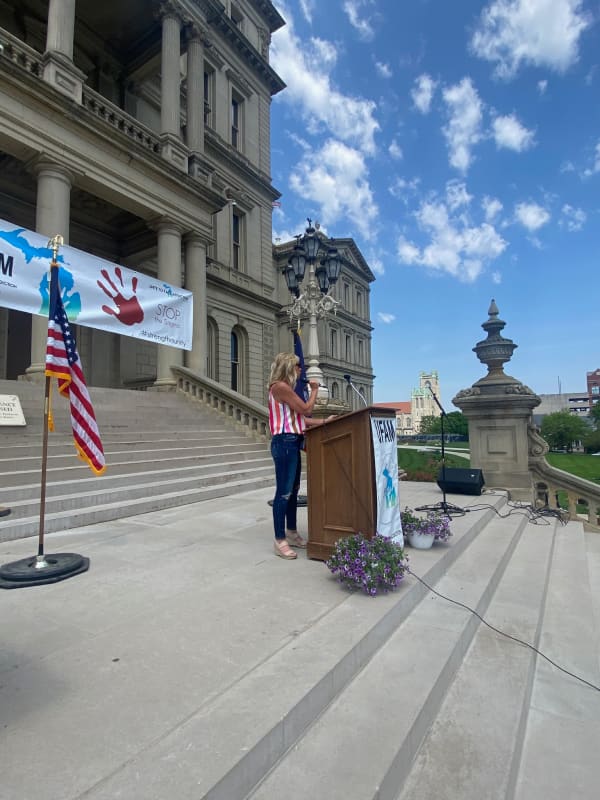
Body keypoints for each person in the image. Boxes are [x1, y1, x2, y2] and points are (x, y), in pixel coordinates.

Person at [268, 352, 332, 559]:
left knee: (294, 491)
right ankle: (279, 539)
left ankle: (292, 531)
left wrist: (324, 422)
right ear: (287, 367)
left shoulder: (286, 389)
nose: (300, 369)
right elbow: (305, 409)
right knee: (284, 493)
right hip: (284, 442)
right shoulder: (280, 387)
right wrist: (314, 391)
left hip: (292, 441)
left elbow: (299, 420)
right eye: (297, 366)